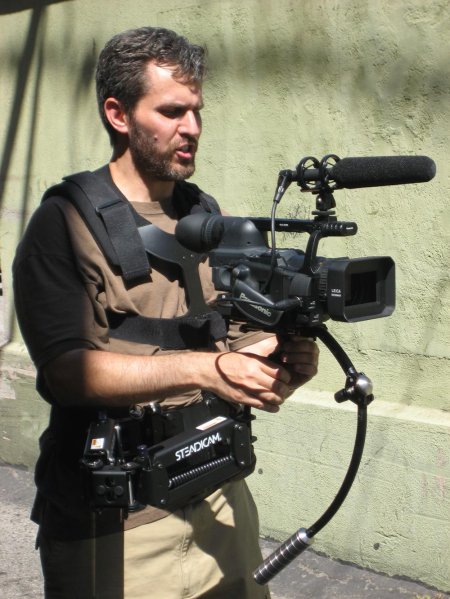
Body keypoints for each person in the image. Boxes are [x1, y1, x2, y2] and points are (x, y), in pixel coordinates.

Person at [13, 26, 319, 599]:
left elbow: (231, 333)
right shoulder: (65, 224)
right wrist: (207, 369)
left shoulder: (202, 214)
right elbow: (67, 372)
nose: (193, 128)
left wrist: (276, 364)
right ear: (119, 114)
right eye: (173, 111)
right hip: (119, 521)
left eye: (197, 111)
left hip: (219, 492)